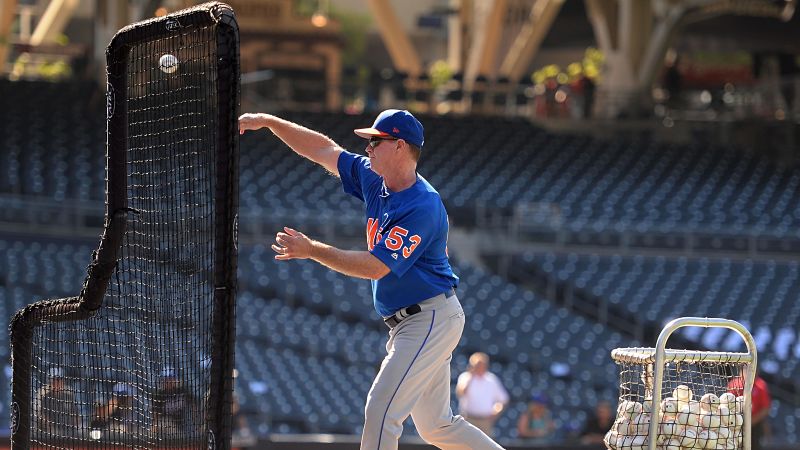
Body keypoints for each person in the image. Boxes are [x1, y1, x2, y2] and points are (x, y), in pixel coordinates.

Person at [239, 109, 505, 450]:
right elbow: (323, 150)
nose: (368, 148)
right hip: (417, 319)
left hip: (429, 318)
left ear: (400, 146)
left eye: (376, 141)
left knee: (381, 409)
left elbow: (375, 267)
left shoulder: (422, 205)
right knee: (436, 426)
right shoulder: (374, 178)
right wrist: (271, 122)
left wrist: (313, 250)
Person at [455, 352, 509, 437]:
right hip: (468, 419)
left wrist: (495, 411)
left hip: (485, 421)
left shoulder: (491, 379)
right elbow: (461, 393)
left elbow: (503, 399)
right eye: (477, 365)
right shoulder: (465, 377)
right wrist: (471, 376)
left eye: (482, 365)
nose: (480, 368)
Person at [728, 372, 771, 450]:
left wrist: (751, 421)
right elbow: (728, 405)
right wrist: (739, 421)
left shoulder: (761, 385)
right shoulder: (734, 384)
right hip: (737, 425)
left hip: (754, 426)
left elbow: (765, 408)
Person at [33, 366, 81, 436]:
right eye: (55, 380)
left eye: (60, 380)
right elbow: (40, 414)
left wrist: (75, 427)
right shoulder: (43, 394)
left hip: (67, 431)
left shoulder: (68, 394)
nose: (57, 383)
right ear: (50, 381)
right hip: (46, 432)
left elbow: (76, 413)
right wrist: (51, 429)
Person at [151, 367, 198, 438]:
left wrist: (196, 423)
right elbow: (156, 414)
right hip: (168, 424)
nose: (168, 381)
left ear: (175, 379)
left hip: (184, 421)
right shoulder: (160, 395)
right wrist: (154, 427)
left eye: (170, 378)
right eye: (165, 379)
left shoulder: (183, 391)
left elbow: (194, 406)